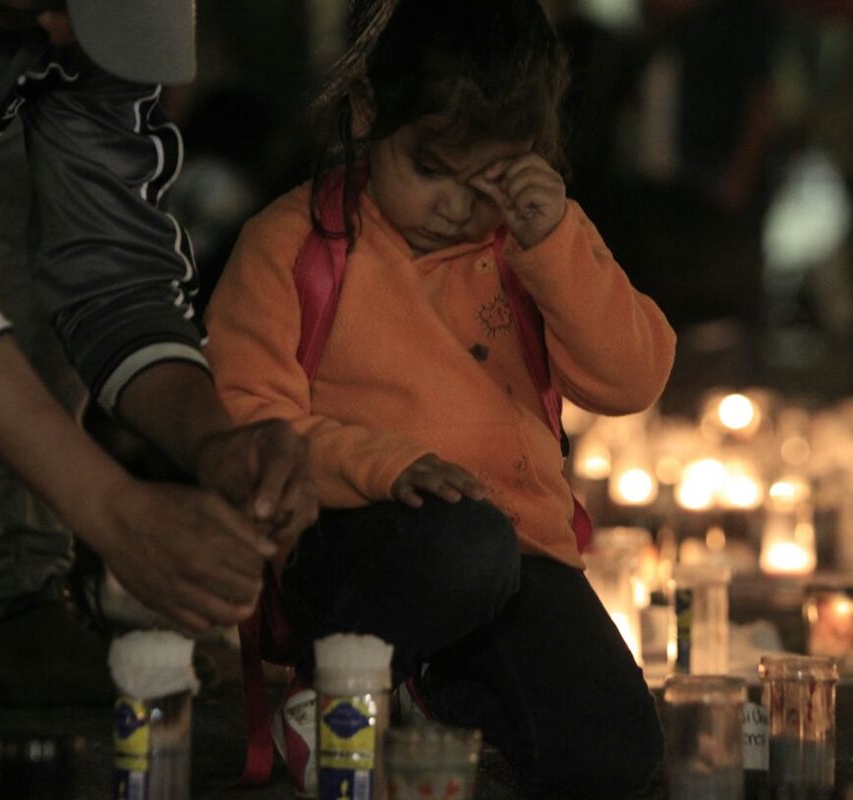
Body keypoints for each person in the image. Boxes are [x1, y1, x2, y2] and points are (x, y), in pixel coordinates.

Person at [203, 1, 676, 797]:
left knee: (617, 760)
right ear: (366, 114)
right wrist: (389, 466)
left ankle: (431, 690)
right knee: (466, 546)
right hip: (362, 549)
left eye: (487, 180)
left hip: (521, 553)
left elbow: (631, 381)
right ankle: (337, 690)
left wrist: (555, 241)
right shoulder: (293, 245)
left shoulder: (531, 243)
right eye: (431, 170)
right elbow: (247, 423)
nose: (458, 206)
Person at [0, 0, 315, 795]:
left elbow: (113, 266)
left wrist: (209, 441)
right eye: (61, 3)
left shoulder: (72, 28)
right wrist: (113, 509)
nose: (62, 34)